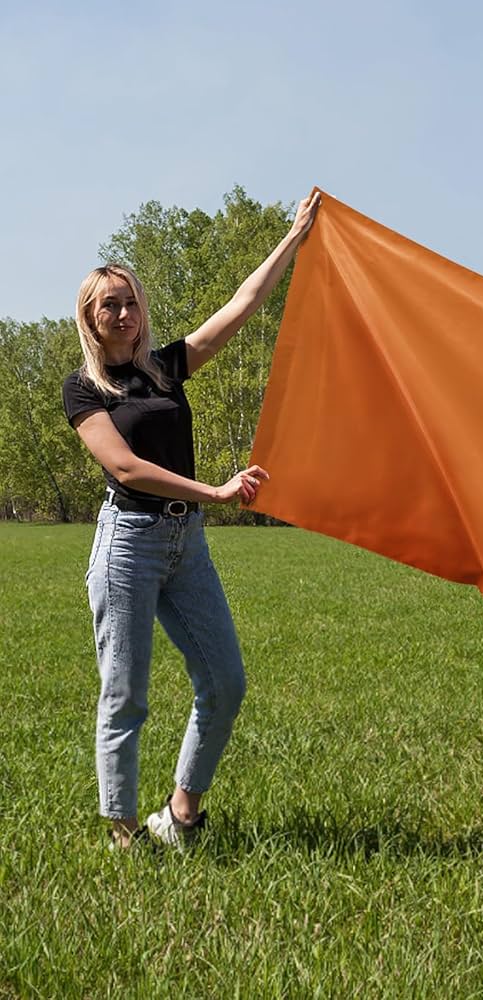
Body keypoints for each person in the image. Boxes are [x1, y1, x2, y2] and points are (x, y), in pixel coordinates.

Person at [62, 191, 321, 849]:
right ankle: (123, 833)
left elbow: (239, 306)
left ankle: (180, 816)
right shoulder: (86, 389)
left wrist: (293, 239)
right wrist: (214, 489)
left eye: (130, 301)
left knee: (225, 683)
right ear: (90, 320)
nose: (123, 313)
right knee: (125, 694)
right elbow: (124, 468)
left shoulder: (165, 368)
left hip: (186, 544)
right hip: (129, 543)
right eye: (108, 305)